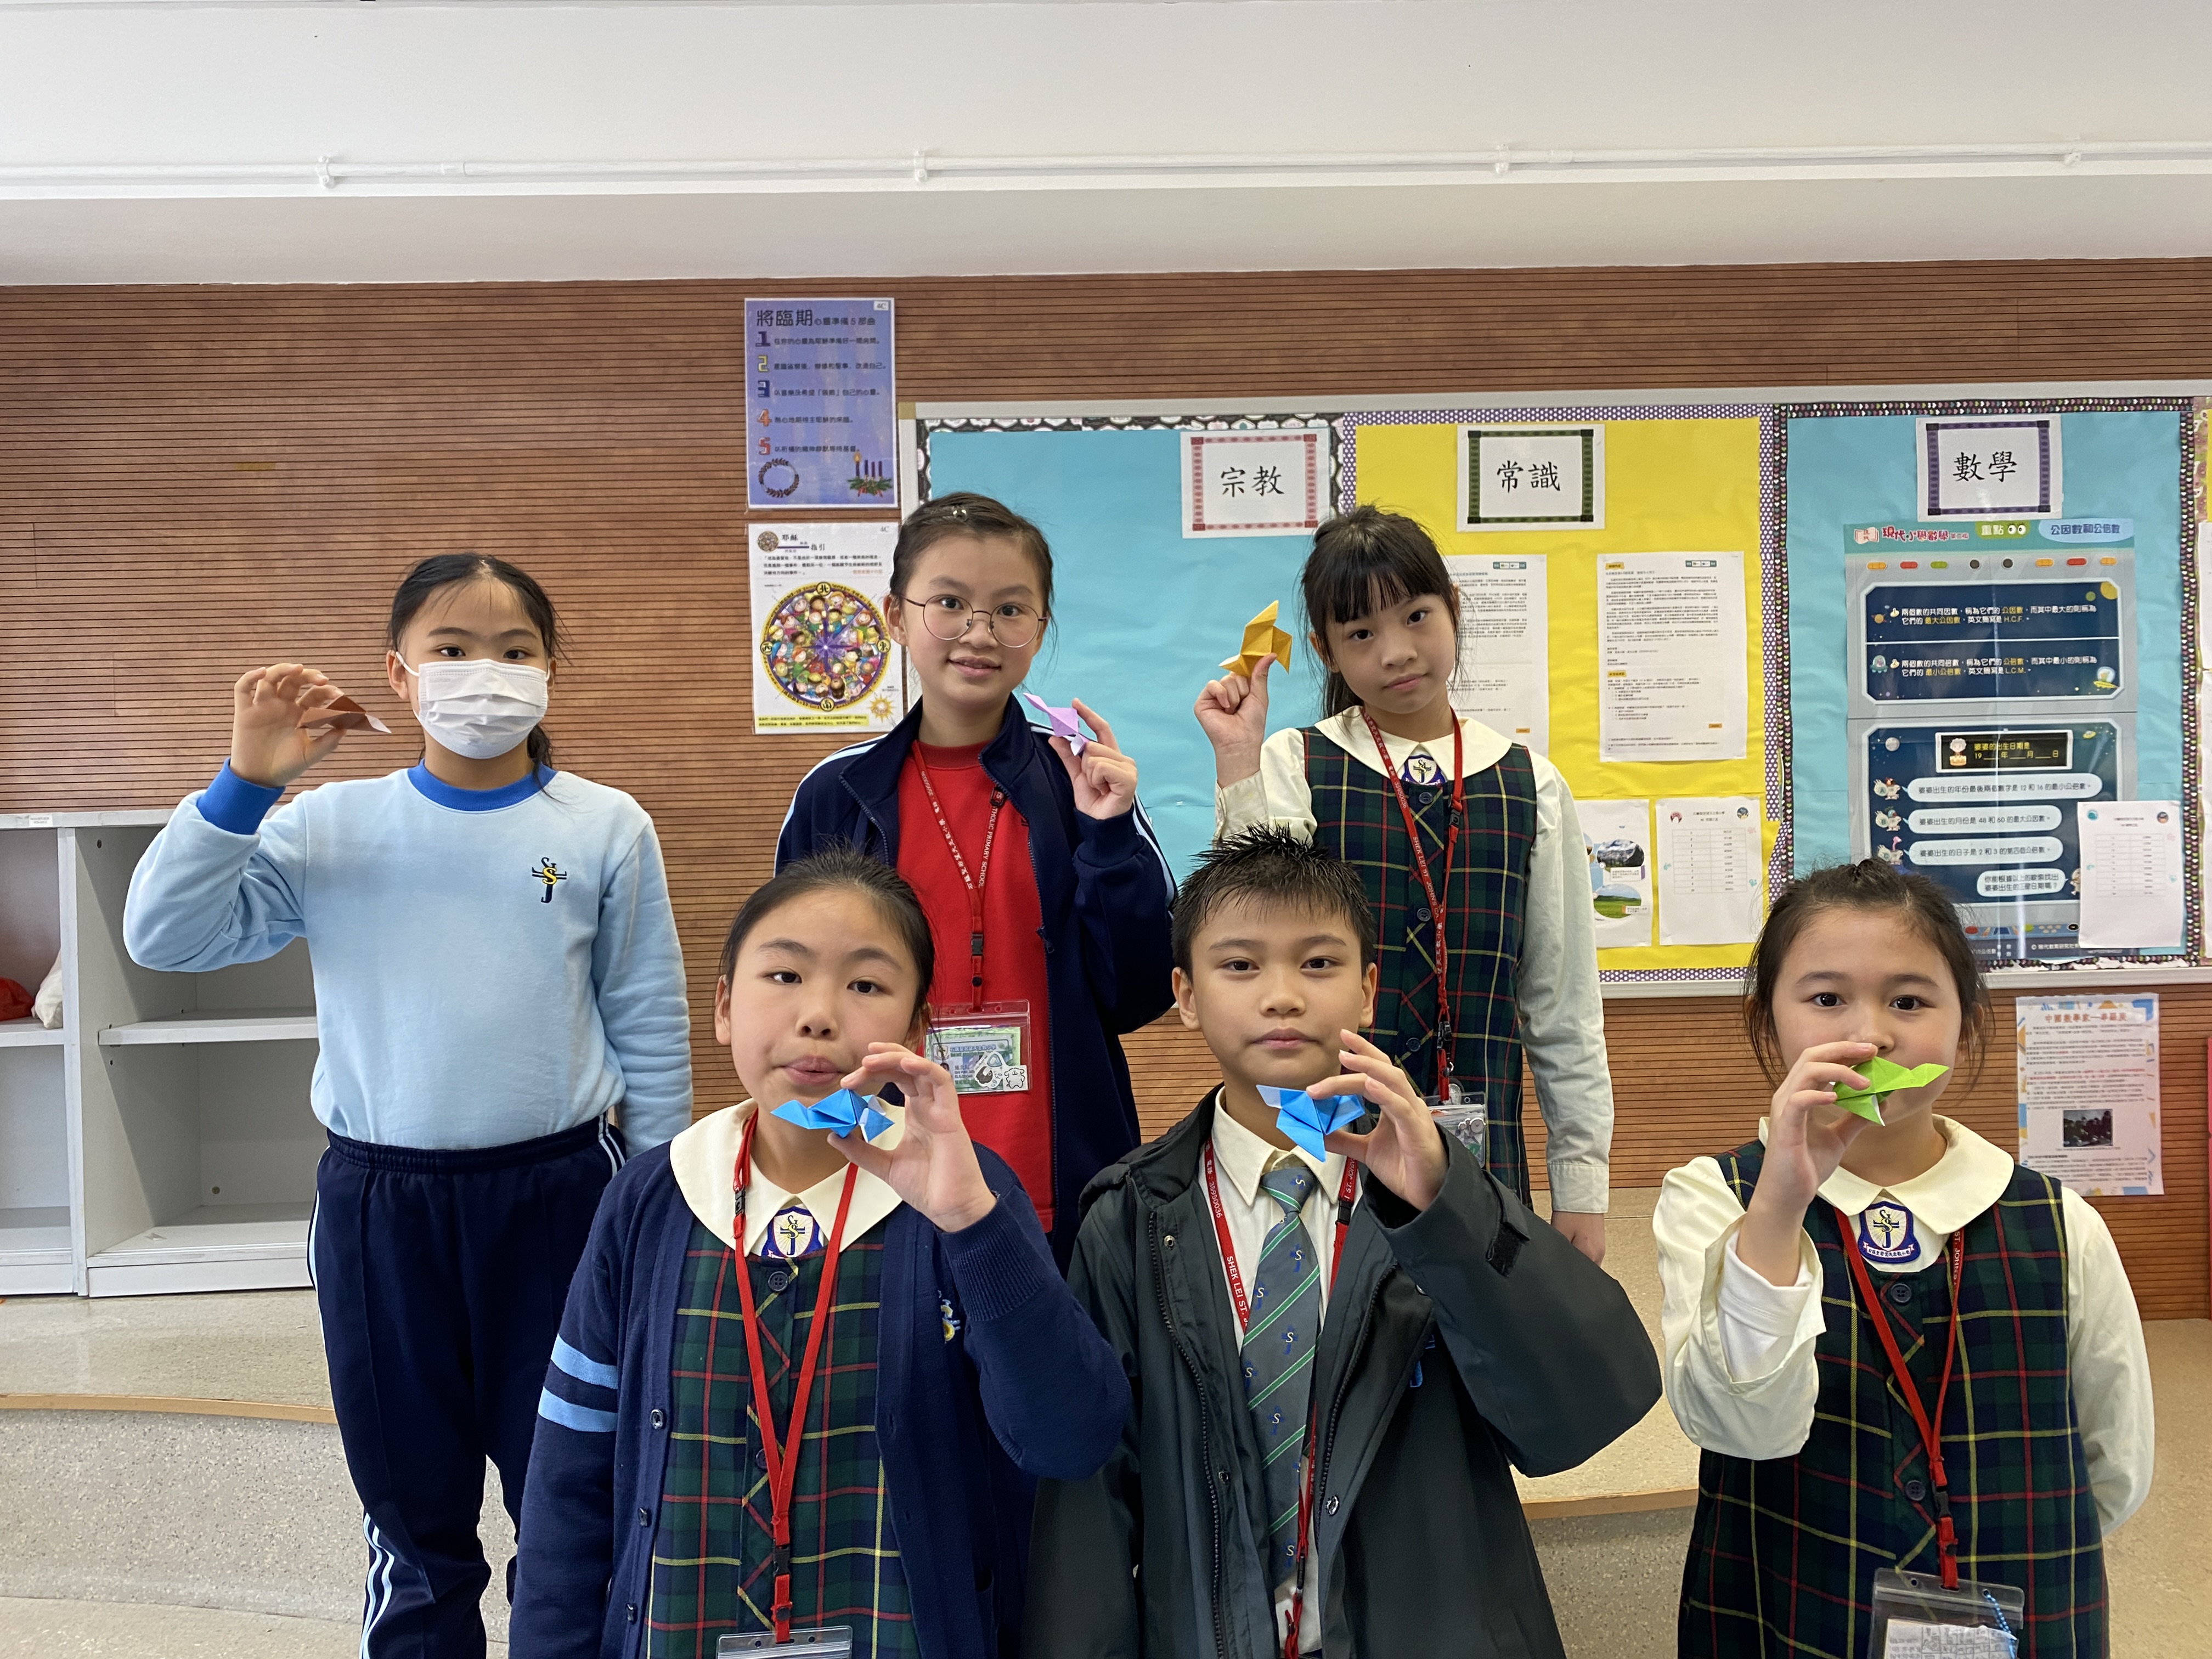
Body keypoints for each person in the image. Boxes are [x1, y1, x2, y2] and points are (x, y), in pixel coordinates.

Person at [122, 553, 692, 1656]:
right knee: (411, 1507)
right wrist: (243, 784)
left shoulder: (602, 825)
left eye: (514, 650)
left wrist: (660, 1203)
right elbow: (165, 937)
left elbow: (648, 1021)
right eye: (452, 648)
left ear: (550, 672)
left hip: (565, 1198)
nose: (486, 671)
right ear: (399, 673)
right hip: (382, 1207)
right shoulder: (328, 825)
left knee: (575, 1493)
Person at [1027, 829, 1659, 1658]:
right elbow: (1091, 1506)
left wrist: (1447, 1207)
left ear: (1367, 990)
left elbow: (1584, 1412)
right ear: (1185, 994)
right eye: (1240, 965)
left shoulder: (1434, 1193)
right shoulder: (1132, 1217)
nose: (1282, 996)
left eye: (1318, 963)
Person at [512, 847, 1128, 1658]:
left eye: (866, 985)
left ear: (917, 1030)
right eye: (785, 975)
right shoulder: (650, 1200)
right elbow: (568, 1478)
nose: (819, 1016)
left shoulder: (966, 1198)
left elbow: (1071, 1440)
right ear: (724, 1006)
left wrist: (973, 1224)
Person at [1654, 859, 2155, 1657]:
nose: (1870, 1037)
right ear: (1768, 1021)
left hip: (2022, 1605)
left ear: (1967, 1023)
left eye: (1910, 1001)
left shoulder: (2061, 1222)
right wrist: (1779, 1205)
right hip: (1787, 1601)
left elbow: (2113, 1459)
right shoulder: (1713, 1198)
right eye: (1826, 1000)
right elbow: (1740, 1426)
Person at [1195, 505, 1613, 1262]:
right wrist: (1238, 761)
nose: (1396, 652)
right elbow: (1252, 925)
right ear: (1325, 651)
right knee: (1334, 1315)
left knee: (1480, 1319)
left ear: (1452, 608)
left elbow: (1564, 1006)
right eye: (1361, 634)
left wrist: (1581, 1184)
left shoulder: (1531, 784)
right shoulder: (1296, 760)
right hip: (1327, 1135)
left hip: (1484, 1141)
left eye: (1417, 616)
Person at [778, 492, 1176, 1265]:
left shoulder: (1077, 781)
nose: (980, 633)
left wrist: (1108, 835)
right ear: (896, 616)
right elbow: (796, 997)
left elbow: (1140, 992)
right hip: (879, 1175)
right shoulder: (837, 794)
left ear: (1040, 629)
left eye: (1010, 610)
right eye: (951, 603)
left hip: (1058, 1179)